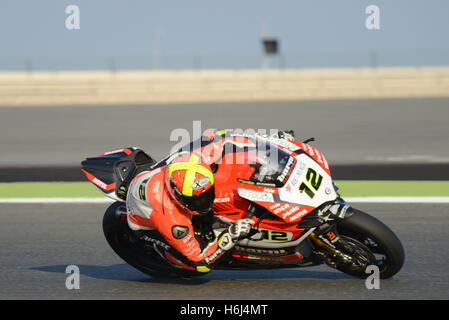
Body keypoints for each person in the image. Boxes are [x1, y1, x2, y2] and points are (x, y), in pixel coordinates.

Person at [125, 129, 295, 273]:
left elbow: (232, 137)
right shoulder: (171, 218)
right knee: (194, 267)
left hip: (166, 172)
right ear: (177, 196)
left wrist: (274, 140)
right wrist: (229, 235)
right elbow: (200, 260)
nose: (204, 203)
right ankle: (171, 258)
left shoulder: (202, 156)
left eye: (205, 195)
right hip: (146, 217)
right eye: (196, 200)